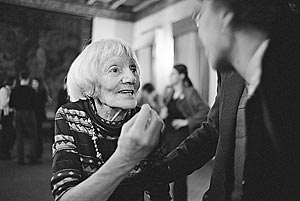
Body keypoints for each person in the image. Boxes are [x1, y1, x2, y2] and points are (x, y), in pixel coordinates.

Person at [142, 0, 300, 201]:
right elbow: (214, 130)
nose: (199, 34)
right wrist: (162, 170)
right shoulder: (227, 74)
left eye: (201, 15)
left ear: (226, 19)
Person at [50, 39, 170, 201]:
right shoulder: (70, 115)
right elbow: (64, 196)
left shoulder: (146, 121)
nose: (131, 78)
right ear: (90, 83)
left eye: (133, 69)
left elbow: (159, 190)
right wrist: (125, 158)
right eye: (115, 70)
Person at [160, 64, 209, 201]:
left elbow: (205, 111)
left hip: (180, 136)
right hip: (167, 136)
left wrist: (187, 121)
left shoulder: (190, 92)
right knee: (162, 170)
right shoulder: (169, 92)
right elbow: (165, 112)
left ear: (182, 76)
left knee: (179, 172)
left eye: (173, 74)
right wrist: (162, 114)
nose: (170, 76)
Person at [9, 71, 39, 165]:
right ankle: (32, 157)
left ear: (20, 78)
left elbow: (11, 104)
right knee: (32, 135)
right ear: (28, 79)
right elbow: (36, 104)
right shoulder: (31, 91)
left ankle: (20, 158)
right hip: (29, 113)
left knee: (19, 135)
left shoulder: (15, 90)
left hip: (18, 113)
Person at [0, 75, 16, 160]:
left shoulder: (10, 90)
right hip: (5, 114)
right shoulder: (4, 90)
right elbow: (3, 104)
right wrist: (10, 96)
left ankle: (6, 150)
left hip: (10, 114)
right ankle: (4, 152)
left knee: (10, 133)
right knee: (6, 133)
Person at [31, 78, 48, 159]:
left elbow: (42, 103)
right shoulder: (31, 92)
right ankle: (35, 151)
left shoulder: (42, 92)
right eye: (33, 83)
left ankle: (38, 151)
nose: (34, 85)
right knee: (35, 133)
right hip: (33, 114)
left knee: (38, 133)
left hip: (39, 114)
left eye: (35, 83)